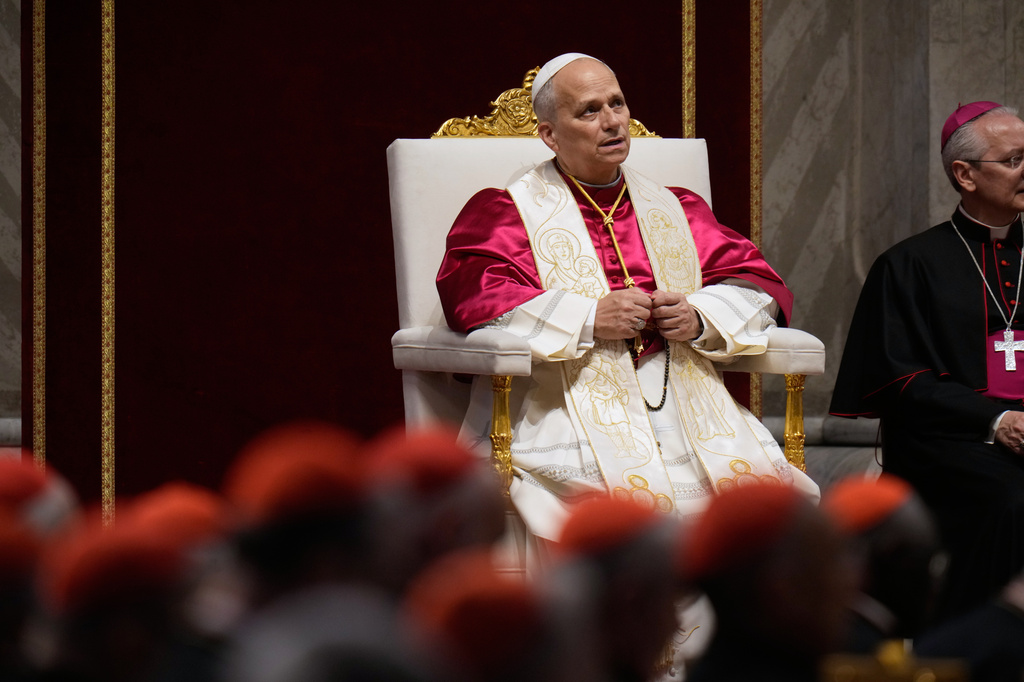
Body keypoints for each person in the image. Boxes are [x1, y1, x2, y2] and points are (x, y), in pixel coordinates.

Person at [436, 53, 818, 543]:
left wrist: (697, 316)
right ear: (550, 135)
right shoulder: (506, 212)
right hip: (565, 403)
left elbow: (756, 283)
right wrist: (589, 316)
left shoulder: (676, 207)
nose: (613, 121)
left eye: (617, 103)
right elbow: (474, 297)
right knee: (628, 525)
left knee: (755, 519)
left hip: (680, 397)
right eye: (589, 110)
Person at [830, 101, 1024, 621]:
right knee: (1012, 496)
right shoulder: (908, 264)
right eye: (1014, 160)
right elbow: (899, 378)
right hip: (948, 442)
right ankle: (984, 647)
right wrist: (997, 419)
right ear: (964, 175)